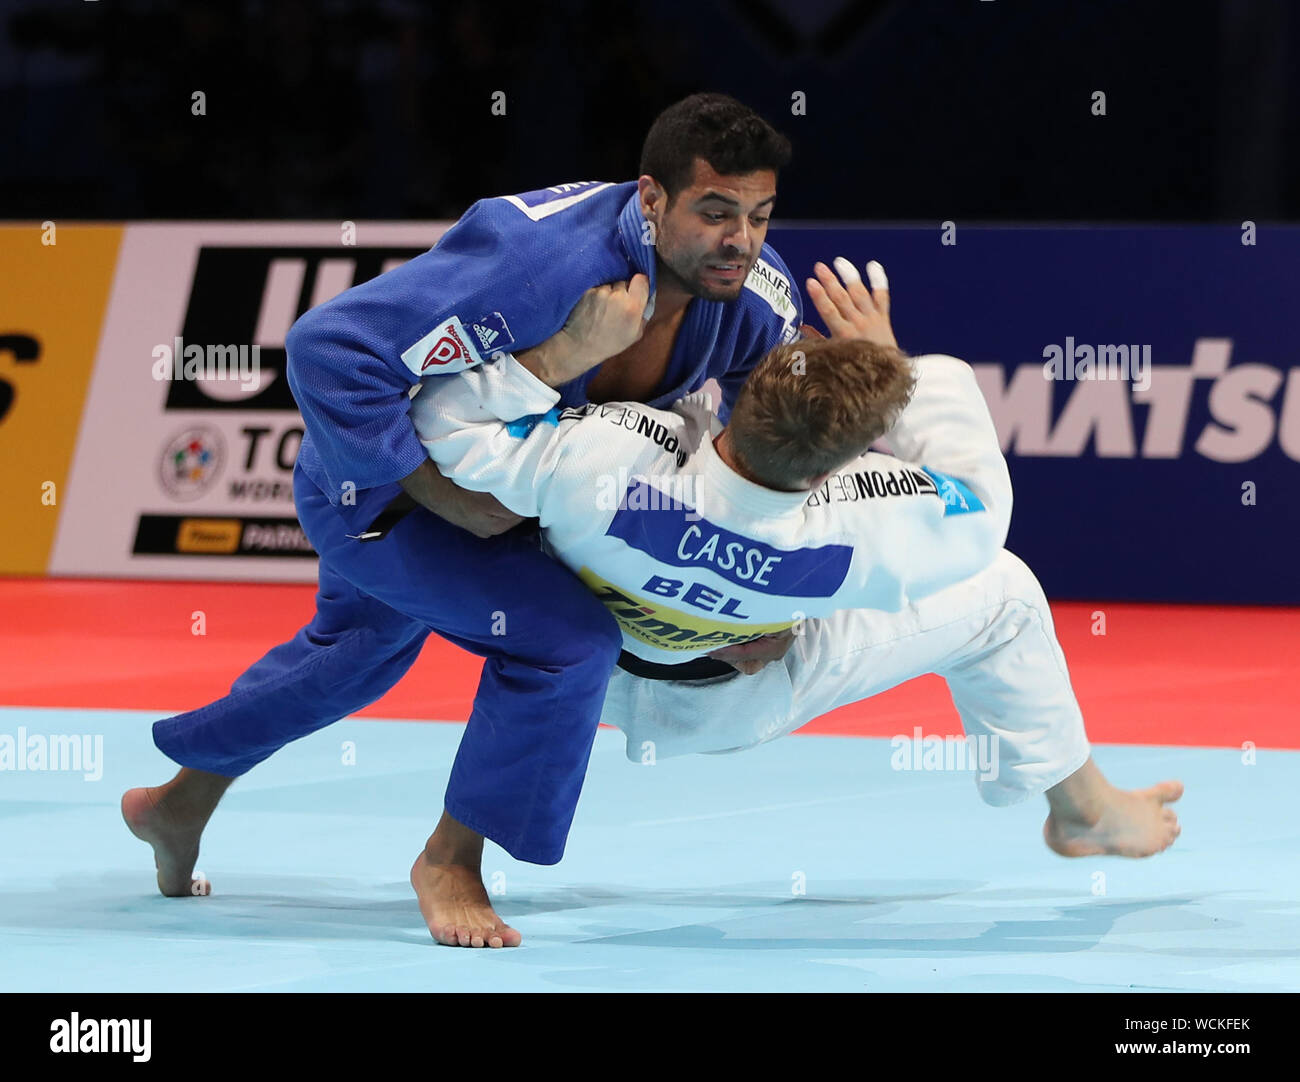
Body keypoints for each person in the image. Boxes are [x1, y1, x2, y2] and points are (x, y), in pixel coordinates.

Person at [122, 93, 808, 949]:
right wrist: (434, 494)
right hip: (379, 489)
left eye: (759, 215)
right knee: (566, 642)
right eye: (715, 212)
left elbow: (773, 456)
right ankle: (451, 861)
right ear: (651, 198)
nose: (739, 240)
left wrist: (745, 599)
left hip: (509, 501)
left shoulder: (753, 305)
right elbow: (327, 349)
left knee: (355, 659)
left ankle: (176, 804)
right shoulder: (536, 262)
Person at [411, 257, 1185, 864]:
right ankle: (1080, 808)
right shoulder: (865, 524)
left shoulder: (606, 462)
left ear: (738, 399)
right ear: (830, 470)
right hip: (733, 707)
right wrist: (891, 366)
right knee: (1007, 594)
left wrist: (570, 351)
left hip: (591, 681)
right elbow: (981, 500)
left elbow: (443, 416)